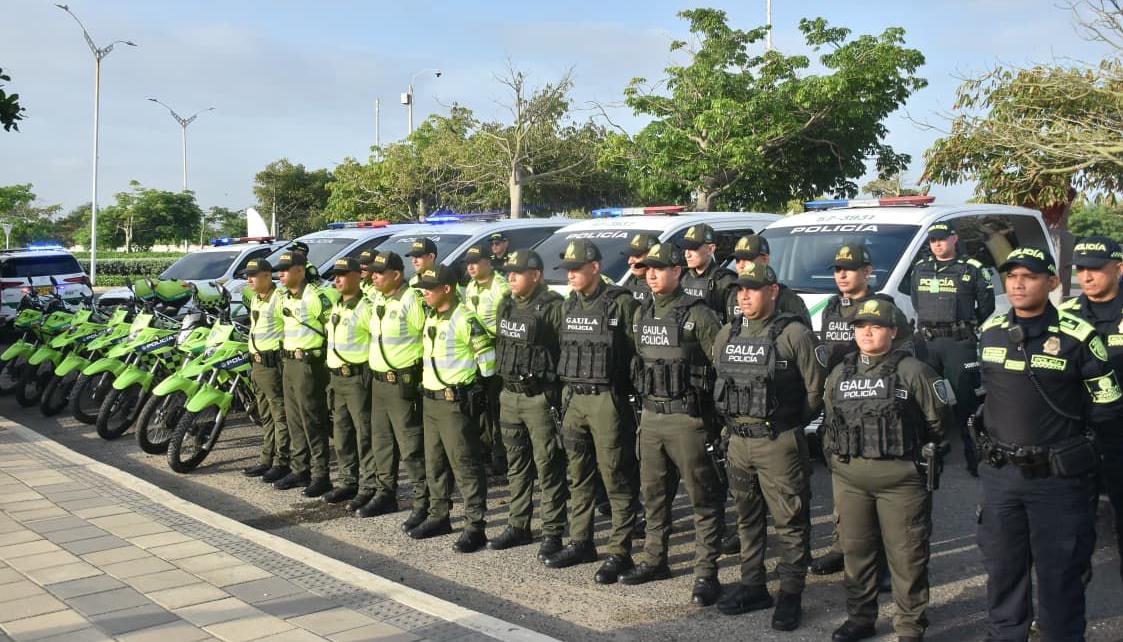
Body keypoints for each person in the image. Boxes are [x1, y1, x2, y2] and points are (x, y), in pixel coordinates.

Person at [976, 247, 1123, 642]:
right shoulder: (990, 330)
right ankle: (1006, 634)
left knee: (1061, 573)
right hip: (1002, 477)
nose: (1018, 284)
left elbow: (1107, 406)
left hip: (1058, 480)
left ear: (1053, 283)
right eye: (1012, 277)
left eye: (1030, 276)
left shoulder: (1079, 336)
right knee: (1003, 568)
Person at [822, 298, 952, 642]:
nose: (867, 332)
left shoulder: (914, 371)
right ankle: (860, 618)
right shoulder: (840, 373)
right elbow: (830, 421)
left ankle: (909, 625)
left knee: (907, 555)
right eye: (861, 326)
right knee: (856, 551)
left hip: (901, 481)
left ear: (892, 331)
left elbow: (939, 423)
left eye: (876, 326)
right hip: (851, 480)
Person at [711, 264, 824, 630]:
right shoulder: (726, 333)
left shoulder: (794, 334)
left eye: (753, 289)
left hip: (778, 442)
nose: (743, 296)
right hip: (738, 442)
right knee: (746, 517)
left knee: (790, 520)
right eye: (740, 290)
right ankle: (752, 584)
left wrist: (787, 424)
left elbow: (814, 392)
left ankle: (791, 593)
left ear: (772, 291)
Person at [617, 243, 725, 606]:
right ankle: (653, 559)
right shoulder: (642, 311)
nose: (651, 274)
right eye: (648, 268)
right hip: (650, 417)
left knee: (703, 499)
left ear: (677, 271)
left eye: (660, 268)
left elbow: (723, 367)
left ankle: (706, 573)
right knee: (654, 496)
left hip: (687, 419)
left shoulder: (699, 314)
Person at [813, 242, 915, 577]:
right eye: (838, 269)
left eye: (850, 268)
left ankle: (883, 559)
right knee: (844, 481)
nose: (842, 275)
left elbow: (908, 355)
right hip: (841, 405)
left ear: (867, 272)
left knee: (881, 489)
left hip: (877, 407)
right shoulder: (831, 307)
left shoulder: (884, 308)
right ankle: (843, 545)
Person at [544, 239, 640, 585]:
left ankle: (619, 551)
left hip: (607, 400)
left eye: (576, 269)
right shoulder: (569, 305)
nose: (570, 275)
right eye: (567, 270)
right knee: (578, 475)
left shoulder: (621, 304)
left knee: (615, 476)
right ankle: (581, 542)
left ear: (595, 268)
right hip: (575, 399)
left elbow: (638, 352)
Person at [410, 265, 496, 553]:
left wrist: (474, 390)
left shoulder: (465, 318)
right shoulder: (432, 316)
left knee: (465, 465)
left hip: (454, 402)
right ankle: (439, 515)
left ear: (446, 288)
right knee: (434, 462)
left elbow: (488, 359)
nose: (424, 294)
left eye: (429, 289)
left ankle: (475, 526)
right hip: (431, 400)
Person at [489, 250, 569, 560]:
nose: (510, 277)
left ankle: (552, 531)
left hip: (539, 397)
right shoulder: (506, 305)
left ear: (535, 274)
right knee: (516, 464)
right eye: (508, 271)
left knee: (548, 466)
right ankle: (518, 524)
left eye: (517, 271)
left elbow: (566, 352)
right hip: (509, 395)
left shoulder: (553, 308)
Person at [1060, 236, 1123, 584]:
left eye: (1095, 269)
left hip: (1120, 433)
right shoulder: (1064, 314)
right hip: (1079, 436)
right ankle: (1064, 617)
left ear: (1118, 268)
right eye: (1081, 269)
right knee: (1071, 531)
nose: (1086, 276)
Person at [910, 222, 994, 476]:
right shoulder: (920, 269)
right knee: (925, 402)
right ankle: (928, 458)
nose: (937, 244)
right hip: (928, 343)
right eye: (933, 240)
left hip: (959, 344)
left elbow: (986, 306)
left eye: (942, 239)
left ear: (954, 239)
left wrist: (965, 327)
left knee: (966, 403)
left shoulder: (972, 269)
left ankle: (976, 457)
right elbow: (916, 301)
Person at [363, 251, 427, 527]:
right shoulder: (379, 298)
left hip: (401, 382)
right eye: (373, 271)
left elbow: (426, 337)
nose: (374, 276)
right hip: (378, 382)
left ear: (397, 275)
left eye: (380, 272)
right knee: (382, 442)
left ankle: (424, 502)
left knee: (411, 446)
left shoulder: (411, 299)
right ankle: (386, 492)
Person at [274, 250, 335, 497]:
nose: (281, 274)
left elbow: (333, 329)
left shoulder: (316, 297)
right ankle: (300, 469)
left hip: (309, 365)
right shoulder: (286, 297)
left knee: (312, 420)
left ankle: (321, 475)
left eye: (286, 270)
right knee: (294, 420)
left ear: (300, 271)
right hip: (289, 363)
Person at [323, 257, 374, 507]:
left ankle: (369, 485)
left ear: (358, 276)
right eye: (336, 275)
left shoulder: (366, 308)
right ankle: (347, 481)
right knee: (341, 434)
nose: (338, 279)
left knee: (364, 434)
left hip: (357, 379)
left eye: (343, 274)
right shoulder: (337, 305)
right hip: (337, 379)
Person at [242, 258, 290, 484]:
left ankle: (282, 461)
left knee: (279, 414)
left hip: (273, 364)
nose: (249, 279)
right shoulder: (256, 299)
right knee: (265, 415)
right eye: (248, 275)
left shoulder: (279, 299)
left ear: (267, 275)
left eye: (254, 275)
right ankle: (266, 458)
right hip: (258, 364)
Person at [464, 244, 511, 475]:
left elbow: (507, 324)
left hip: (498, 353)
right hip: (477, 355)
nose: (471, 266)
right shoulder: (471, 285)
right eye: (468, 262)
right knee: (481, 407)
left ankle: (501, 457)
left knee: (496, 408)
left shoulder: (500, 287)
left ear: (488, 262)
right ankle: (486, 450)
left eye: (476, 261)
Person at [729, 234, 811, 327]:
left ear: (765, 259)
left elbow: (802, 335)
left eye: (747, 259)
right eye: (737, 260)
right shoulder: (733, 293)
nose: (741, 265)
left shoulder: (787, 299)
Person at [677, 223, 738, 323]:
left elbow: (734, 325)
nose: (687, 254)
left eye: (693, 248)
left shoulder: (726, 281)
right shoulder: (681, 276)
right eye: (686, 248)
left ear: (710, 249)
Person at [623, 233, 659, 303]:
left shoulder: (670, 286)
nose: (629, 261)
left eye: (637, 256)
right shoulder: (627, 283)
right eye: (629, 256)